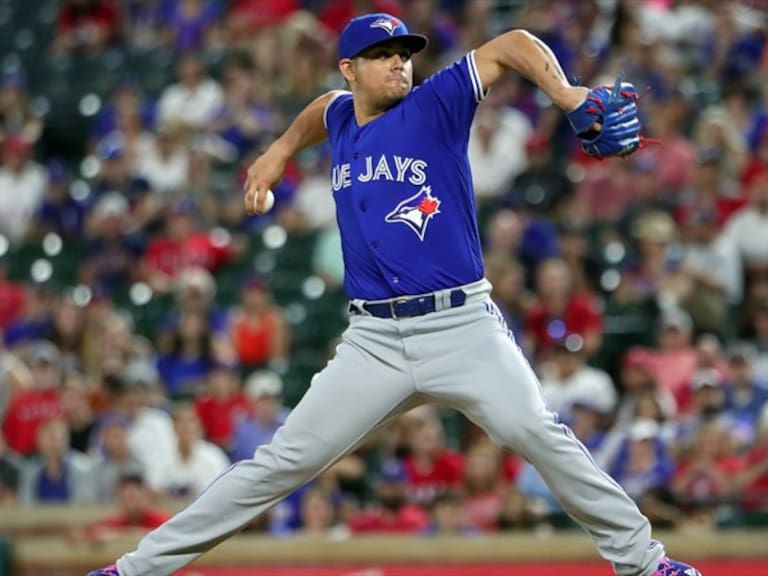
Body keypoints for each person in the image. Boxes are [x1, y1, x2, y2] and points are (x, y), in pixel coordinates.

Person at [88, 13, 700, 576]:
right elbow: (320, 109)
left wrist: (566, 95)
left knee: (537, 432)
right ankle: (135, 570)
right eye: (381, 55)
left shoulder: (435, 105)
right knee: (280, 464)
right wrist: (275, 153)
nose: (398, 64)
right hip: (374, 341)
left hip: (461, 327)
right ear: (350, 68)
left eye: (403, 53)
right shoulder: (338, 117)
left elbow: (511, 45)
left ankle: (646, 563)